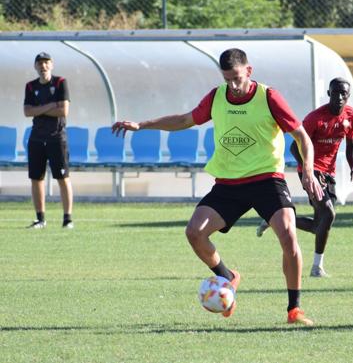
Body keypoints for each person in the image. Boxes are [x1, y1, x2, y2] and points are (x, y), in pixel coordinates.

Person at [112, 48, 323, 326]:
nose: (233, 86)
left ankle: (294, 310)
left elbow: (301, 136)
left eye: (237, 78)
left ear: (249, 71)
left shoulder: (269, 97)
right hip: (229, 184)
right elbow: (185, 120)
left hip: (266, 179)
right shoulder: (217, 96)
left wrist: (308, 170)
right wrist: (142, 125)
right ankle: (228, 277)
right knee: (194, 233)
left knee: (288, 237)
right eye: (227, 80)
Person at [256, 78, 353, 278]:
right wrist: (309, 171)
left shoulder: (351, 117)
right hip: (310, 171)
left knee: (318, 225)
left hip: (328, 174)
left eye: (344, 94)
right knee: (329, 214)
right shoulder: (315, 118)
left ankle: (274, 220)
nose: (339, 97)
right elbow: (294, 147)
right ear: (329, 93)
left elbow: (350, 145)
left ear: (348, 96)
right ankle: (317, 268)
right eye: (336, 92)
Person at [23, 52, 74, 229]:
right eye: (40, 63)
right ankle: (40, 219)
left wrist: (40, 109)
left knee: (62, 177)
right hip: (36, 138)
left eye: (46, 63)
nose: (43, 66)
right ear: (35, 66)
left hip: (56, 138)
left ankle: (67, 219)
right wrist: (51, 105)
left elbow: (63, 111)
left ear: (51, 65)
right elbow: (27, 111)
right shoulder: (30, 86)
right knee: (36, 178)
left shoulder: (60, 82)